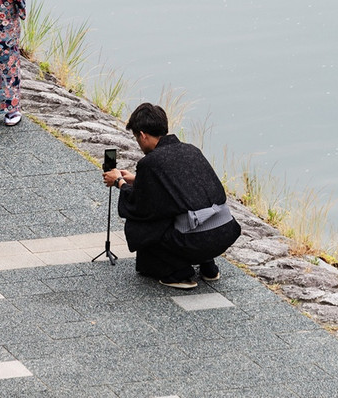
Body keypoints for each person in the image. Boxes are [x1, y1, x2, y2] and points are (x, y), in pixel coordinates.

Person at [103, 103, 242, 289]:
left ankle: (178, 273)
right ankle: (208, 266)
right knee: (191, 210)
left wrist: (119, 182)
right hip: (225, 231)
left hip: (195, 241)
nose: (138, 142)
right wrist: (136, 180)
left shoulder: (150, 162)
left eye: (137, 137)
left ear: (143, 135)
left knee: (144, 226)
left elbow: (141, 206)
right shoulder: (191, 150)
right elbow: (183, 189)